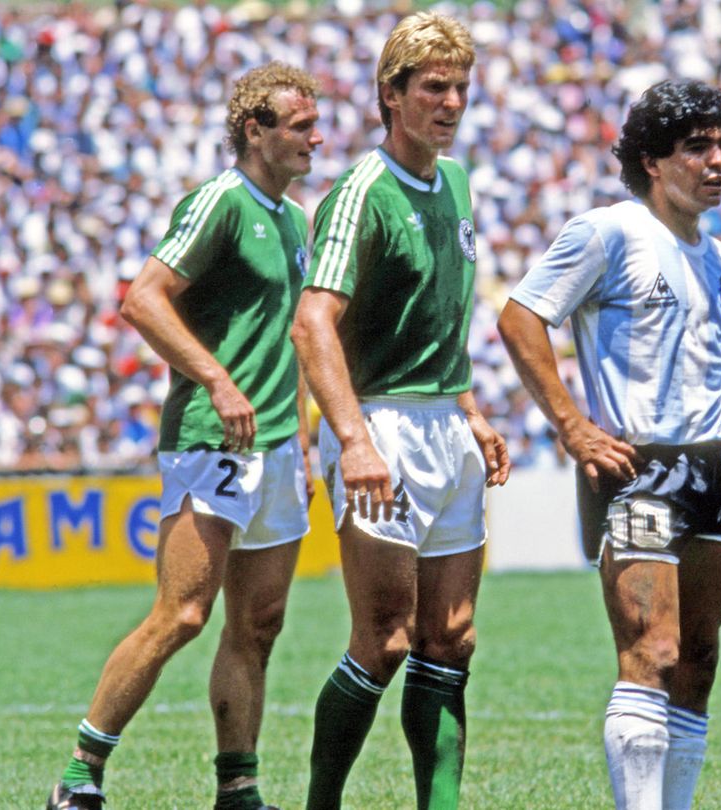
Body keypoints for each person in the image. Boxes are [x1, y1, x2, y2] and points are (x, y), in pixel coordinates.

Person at [497, 79, 721, 810]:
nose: (717, 161)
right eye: (697, 147)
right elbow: (519, 319)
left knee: (697, 660)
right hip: (637, 469)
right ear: (653, 162)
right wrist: (574, 427)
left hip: (713, 475)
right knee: (653, 654)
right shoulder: (607, 232)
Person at [46, 62, 323, 810]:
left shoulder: (296, 220)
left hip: (276, 448)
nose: (316, 138)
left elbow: (291, 334)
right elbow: (142, 300)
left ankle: (238, 788)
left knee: (259, 624)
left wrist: (303, 426)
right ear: (253, 130)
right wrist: (217, 380)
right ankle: (79, 774)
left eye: (315, 124)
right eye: (299, 126)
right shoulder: (220, 204)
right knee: (184, 614)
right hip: (214, 438)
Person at [290, 12, 509, 810]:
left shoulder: (455, 180)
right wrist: (351, 441)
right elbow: (313, 322)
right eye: (433, 88)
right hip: (379, 425)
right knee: (383, 641)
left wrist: (472, 410)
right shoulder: (362, 191)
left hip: (446, 428)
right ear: (392, 95)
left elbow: (437, 319)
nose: (451, 103)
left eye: (460, 87)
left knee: (451, 637)